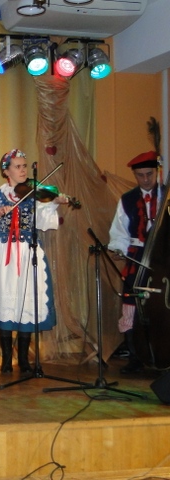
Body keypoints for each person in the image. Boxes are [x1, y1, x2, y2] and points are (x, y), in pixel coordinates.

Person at [0, 149, 67, 375]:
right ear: (6, 171)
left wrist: (54, 202)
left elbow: (45, 223)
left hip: (27, 250)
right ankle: (6, 359)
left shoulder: (34, 194)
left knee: (27, 300)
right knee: (4, 299)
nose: (23, 170)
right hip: (3, 252)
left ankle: (23, 359)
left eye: (24, 166)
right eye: (18, 166)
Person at [107, 150, 162, 374]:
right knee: (131, 305)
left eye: (150, 174)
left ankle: (162, 356)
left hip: (161, 259)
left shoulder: (167, 195)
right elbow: (119, 230)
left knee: (159, 306)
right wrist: (119, 249)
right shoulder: (127, 199)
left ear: (157, 172)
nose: (146, 179)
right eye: (140, 175)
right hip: (137, 257)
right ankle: (135, 356)